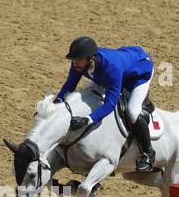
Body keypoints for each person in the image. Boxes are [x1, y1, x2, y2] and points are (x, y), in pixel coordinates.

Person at [55, 36, 156, 172]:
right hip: (118, 68)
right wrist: (58, 101)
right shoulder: (80, 62)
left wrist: (89, 119)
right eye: (73, 59)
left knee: (133, 111)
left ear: (91, 58)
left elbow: (111, 102)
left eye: (78, 60)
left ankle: (149, 154)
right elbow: (70, 84)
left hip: (139, 73)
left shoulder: (111, 67)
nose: (74, 63)